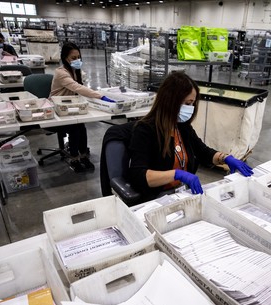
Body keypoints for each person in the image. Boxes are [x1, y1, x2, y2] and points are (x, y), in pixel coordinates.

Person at [128, 72, 253, 201]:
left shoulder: (182, 127)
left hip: (182, 192)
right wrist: (176, 174)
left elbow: (203, 152)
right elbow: (138, 176)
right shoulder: (145, 130)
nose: (191, 108)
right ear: (170, 101)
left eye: (193, 104)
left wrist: (225, 158)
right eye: (187, 103)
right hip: (156, 197)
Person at [50, 42, 113, 172]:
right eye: (73, 58)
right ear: (65, 58)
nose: (77, 60)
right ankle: (74, 158)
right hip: (58, 110)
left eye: (78, 57)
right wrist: (100, 97)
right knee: (75, 129)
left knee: (81, 127)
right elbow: (77, 88)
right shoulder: (61, 73)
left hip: (71, 107)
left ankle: (83, 156)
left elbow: (81, 91)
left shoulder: (76, 71)